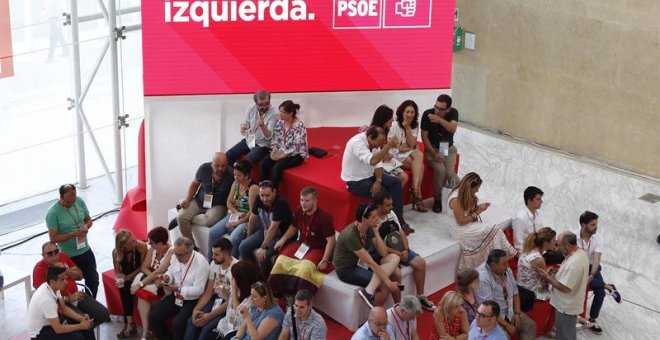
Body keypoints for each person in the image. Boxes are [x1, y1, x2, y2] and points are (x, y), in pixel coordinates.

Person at [341, 124, 410, 234]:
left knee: (395, 182)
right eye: (378, 144)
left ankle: (399, 218)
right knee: (383, 193)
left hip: (371, 175)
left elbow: (378, 165)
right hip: (356, 181)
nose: (379, 146)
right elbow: (373, 160)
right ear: (369, 138)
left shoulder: (374, 141)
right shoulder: (357, 144)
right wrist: (388, 146)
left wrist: (378, 180)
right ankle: (384, 223)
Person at [268, 187, 336, 297]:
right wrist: (282, 239)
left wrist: (325, 260)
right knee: (280, 261)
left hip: (318, 248)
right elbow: (294, 226)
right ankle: (276, 296)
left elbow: (331, 240)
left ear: (315, 201)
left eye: (307, 201)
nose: (303, 204)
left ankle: (299, 299)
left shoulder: (324, 217)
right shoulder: (300, 210)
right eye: (301, 200)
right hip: (301, 244)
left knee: (305, 268)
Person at [372, 190, 435, 310]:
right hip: (384, 254)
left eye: (392, 204)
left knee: (420, 263)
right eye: (388, 205)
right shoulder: (373, 219)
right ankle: (399, 306)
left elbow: (401, 233)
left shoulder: (391, 213)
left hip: (400, 249)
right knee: (396, 273)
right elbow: (378, 247)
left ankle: (421, 297)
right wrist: (397, 253)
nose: (392, 207)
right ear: (379, 206)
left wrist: (405, 249)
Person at [334, 203, 402, 309]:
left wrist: (376, 233)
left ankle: (397, 306)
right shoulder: (350, 235)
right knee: (384, 286)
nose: (377, 219)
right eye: (374, 217)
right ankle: (373, 319)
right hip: (347, 268)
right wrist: (388, 283)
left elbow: (384, 253)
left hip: (362, 262)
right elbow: (371, 262)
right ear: (364, 218)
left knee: (395, 258)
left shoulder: (369, 228)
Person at [447, 172, 516, 270]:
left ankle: (500, 259)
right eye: (475, 188)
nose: (477, 191)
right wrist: (478, 212)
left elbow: (466, 212)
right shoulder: (456, 199)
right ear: (469, 187)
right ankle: (499, 259)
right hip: (460, 230)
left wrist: (478, 208)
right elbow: (461, 221)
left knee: (495, 231)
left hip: (466, 225)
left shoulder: (463, 194)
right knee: (495, 230)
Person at [32, 242, 109, 330]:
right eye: (50, 253)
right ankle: (83, 330)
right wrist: (68, 298)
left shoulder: (63, 257)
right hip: (61, 305)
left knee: (104, 313)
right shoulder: (39, 270)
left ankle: (84, 329)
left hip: (77, 296)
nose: (54, 255)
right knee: (83, 323)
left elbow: (80, 276)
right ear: (43, 255)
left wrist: (66, 270)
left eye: (56, 251)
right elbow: (45, 297)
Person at [149, 237, 210, 340]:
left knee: (178, 323)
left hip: (192, 300)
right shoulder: (175, 256)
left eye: (180, 255)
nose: (177, 257)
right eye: (176, 253)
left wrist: (178, 289)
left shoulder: (201, 263)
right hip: (177, 296)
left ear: (190, 251)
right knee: (154, 315)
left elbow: (199, 290)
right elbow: (171, 273)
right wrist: (166, 278)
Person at [45, 184, 99, 297]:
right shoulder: (53, 212)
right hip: (68, 254)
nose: (71, 204)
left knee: (93, 279)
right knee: (69, 283)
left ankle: (90, 301)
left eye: (73, 202)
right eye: (68, 203)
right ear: (61, 197)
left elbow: (88, 219)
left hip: (84, 249)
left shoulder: (79, 201)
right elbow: (53, 238)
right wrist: (73, 234)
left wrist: (86, 226)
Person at [576, 211, 621, 334]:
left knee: (600, 293)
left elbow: (596, 260)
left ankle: (592, 319)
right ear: (583, 225)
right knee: (600, 286)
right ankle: (608, 286)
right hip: (578, 268)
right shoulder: (574, 237)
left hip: (592, 267)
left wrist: (591, 275)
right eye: (592, 224)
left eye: (596, 224)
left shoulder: (598, 238)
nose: (596, 227)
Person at [476, 249, 536, 340]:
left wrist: (517, 313)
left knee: (530, 326)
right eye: (504, 263)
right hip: (492, 317)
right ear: (493, 264)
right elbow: (488, 309)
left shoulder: (506, 270)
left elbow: (515, 292)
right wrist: (506, 325)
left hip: (509, 312)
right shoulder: (483, 278)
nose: (507, 265)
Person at [176, 152, 233, 248]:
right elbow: (195, 184)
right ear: (212, 163)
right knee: (181, 217)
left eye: (223, 166)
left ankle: (188, 218)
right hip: (200, 201)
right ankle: (191, 246)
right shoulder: (204, 168)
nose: (220, 169)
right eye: (217, 166)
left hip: (218, 205)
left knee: (206, 221)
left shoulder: (231, 173)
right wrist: (188, 199)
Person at [539, 231, 589, 340]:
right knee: (567, 332)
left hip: (566, 307)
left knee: (565, 335)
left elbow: (565, 288)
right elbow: (571, 275)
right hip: (569, 304)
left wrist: (547, 277)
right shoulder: (580, 253)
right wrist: (558, 271)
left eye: (559, 245)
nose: (557, 248)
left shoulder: (574, 263)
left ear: (567, 245)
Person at [186, 238, 238, 339]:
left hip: (229, 304)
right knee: (192, 320)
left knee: (207, 329)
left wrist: (209, 315)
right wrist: (195, 310)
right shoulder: (214, 264)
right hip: (217, 299)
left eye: (216, 254)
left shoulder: (236, 269)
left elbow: (231, 301)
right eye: (212, 253)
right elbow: (208, 292)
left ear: (227, 254)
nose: (213, 257)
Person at [207, 159, 259, 259]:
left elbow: (253, 212)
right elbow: (229, 202)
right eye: (235, 174)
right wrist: (237, 213)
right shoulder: (235, 183)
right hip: (236, 215)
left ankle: (231, 267)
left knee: (232, 240)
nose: (236, 177)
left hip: (247, 219)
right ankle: (211, 264)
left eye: (239, 175)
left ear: (247, 175)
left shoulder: (253, 188)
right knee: (212, 232)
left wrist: (239, 222)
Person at [129, 226, 174, 340]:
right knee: (142, 297)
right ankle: (145, 332)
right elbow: (144, 267)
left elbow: (160, 271)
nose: (149, 244)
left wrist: (140, 284)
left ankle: (146, 333)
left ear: (160, 243)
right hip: (153, 283)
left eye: (152, 242)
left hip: (163, 288)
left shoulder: (171, 252)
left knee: (141, 296)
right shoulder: (153, 249)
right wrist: (153, 278)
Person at [240, 180, 293, 276]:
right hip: (265, 230)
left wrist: (264, 247)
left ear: (274, 192)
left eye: (267, 196)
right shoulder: (258, 198)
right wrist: (249, 235)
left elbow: (274, 227)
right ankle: (252, 275)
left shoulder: (280, 202)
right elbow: (253, 217)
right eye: (262, 195)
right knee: (244, 246)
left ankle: (264, 282)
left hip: (280, 234)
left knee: (264, 256)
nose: (264, 199)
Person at [28, 266, 95, 339]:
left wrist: (82, 319)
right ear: (52, 282)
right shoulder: (46, 299)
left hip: (51, 323)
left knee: (88, 328)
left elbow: (64, 309)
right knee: (78, 337)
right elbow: (58, 329)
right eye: (62, 280)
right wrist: (81, 326)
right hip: (39, 333)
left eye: (65, 278)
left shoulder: (55, 288)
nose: (66, 282)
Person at [420, 94, 460, 213]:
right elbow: (424, 137)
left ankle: (465, 195)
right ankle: (437, 199)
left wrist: (440, 120)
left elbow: (452, 129)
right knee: (440, 170)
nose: (436, 110)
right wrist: (433, 153)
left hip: (446, 146)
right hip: (432, 148)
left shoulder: (453, 113)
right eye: (435, 107)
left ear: (448, 109)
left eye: (441, 109)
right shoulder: (428, 114)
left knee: (449, 173)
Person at [389, 100, 428, 213]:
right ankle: (417, 194)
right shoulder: (394, 125)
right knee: (421, 167)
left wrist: (407, 129)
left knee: (418, 155)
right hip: (394, 154)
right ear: (402, 112)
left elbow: (410, 143)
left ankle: (414, 189)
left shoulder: (415, 125)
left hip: (406, 153)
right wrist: (409, 147)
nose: (409, 115)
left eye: (412, 112)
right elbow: (398, 148)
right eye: (407, 112)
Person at [259, 100, 308, 188]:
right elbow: (276, 138)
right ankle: (263, 188)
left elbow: (296, 146)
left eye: (283, 112)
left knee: (277, 167)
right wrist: (274, 150)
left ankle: (273, 191)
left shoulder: (299, 126)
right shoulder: (280, 122)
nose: (280, 114)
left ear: (291, 113)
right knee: (264, 163)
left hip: (295, 154)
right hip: (281, 150)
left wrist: (282, 155)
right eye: (280, 111)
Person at [226, 89, 280, 166]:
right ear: (256, 103)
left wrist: (263, 126)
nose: (264, 107)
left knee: (245, 163)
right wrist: (244, 128)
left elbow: (269, 137)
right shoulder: (251, 108)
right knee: (228, 155)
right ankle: (232, 177)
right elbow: (246, 124)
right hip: (251, 138)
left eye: (267, 104)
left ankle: (245, 178)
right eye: (261, 105)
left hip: (263, 144)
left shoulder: (274, 114)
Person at [213, 261, 264, 340]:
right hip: (227, 325)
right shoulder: (239, 289)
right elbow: (230, 304)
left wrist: (233, 291)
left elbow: (239, 314)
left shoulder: (253, 297)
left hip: (238, 329)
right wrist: (223, 292)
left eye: (234, 278)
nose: (233, 280)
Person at [112, 230, 148, 338]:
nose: (133, 244)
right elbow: (117, 271)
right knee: (122, 286)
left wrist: (128, 277)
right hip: (127, 275)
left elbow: (142, 267)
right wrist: (119, 278)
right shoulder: (116, 252)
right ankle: (129, 322)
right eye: (129, 243)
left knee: (127, 285)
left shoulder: (141, 247)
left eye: (133, 240)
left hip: (139, 273)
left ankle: (129, 324)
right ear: (122, 246)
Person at [517, 227, 556, 296]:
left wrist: (548, 271)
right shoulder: (538, 258)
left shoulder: (527, 251)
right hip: (532, 293)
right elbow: (546, 279)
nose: (555, 243)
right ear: (546, 243)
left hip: (522, 288)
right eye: (553, 240)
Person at [511, 186, 544, 251]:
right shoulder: (520, 218)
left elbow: (541, 236)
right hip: (527, 253)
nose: (541, 201)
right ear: (529, 201)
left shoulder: (537, 215)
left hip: (539, 250)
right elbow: (518, 245)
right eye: (538, 199)